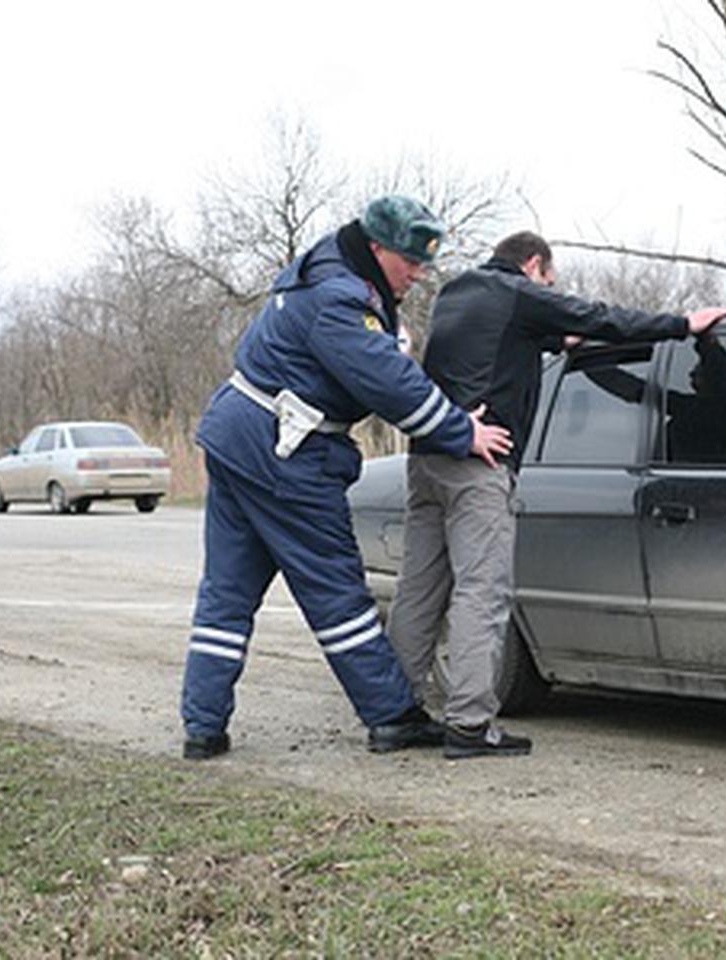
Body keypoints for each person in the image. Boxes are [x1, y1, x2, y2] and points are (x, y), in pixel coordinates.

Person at [180, 196, 513, 760]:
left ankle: (202, 727)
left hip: (238, 436)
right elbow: (388, 383)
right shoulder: (341, 300)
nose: (418, 272)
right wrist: (462, 432)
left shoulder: (321, 274)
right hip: (284, 452)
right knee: (337, 593)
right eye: (409, 260)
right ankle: (391, 715)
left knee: (227, 595)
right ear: (377, 248)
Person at [386, 231, 726, 758]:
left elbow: (500, 346)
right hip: (482, 461)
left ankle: (395, 716)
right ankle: (470, 725)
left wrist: (553, 340)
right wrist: (683, 324)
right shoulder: (520, 293)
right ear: (534, 265)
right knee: (483, 591)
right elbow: (598, 316)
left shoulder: (458, 293)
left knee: (419, 589)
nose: (550, 289)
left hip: (428, 459)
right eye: (550, 280)